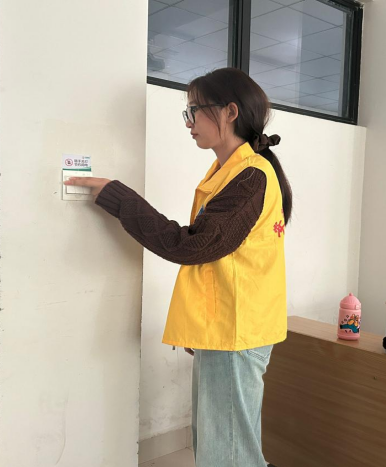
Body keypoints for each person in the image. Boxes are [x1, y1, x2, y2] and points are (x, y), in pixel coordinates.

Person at [66, 67, 292, 467]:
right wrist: (199, 327)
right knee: (221, 443)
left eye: (195, 111)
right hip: (228, 328)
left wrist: (119, 198)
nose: (189, 122)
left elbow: (191, 246)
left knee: (227, 452)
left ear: (230, 112)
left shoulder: (250, 178)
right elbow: (217, 258)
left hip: (236, 332)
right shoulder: (231, 172)